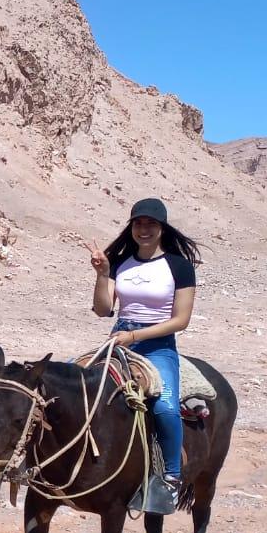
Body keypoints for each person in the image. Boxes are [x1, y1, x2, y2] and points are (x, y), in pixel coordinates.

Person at [89, 197, 201, 516]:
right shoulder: (119, 260)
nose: (144, 229)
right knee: (69, 383)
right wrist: (102, 274)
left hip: (158, 344)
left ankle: (170, 477)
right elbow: (102, 309)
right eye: (138, 223)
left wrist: (135, 336)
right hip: (119, 339)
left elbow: (181, 320)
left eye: (150, 224)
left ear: (162, 227)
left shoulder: (179, 266)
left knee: (165, 406)